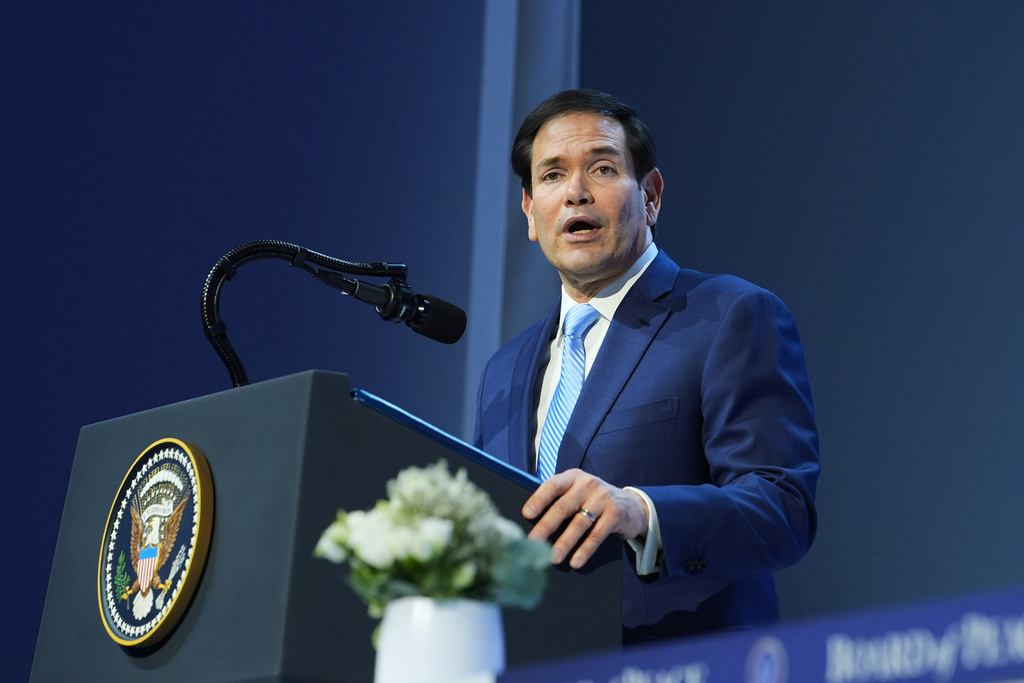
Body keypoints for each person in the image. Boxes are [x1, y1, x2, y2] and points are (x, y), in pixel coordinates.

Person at [474, 89, 820, 644]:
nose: (576, 193)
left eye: (603, 168)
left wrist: (640, 511)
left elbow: (781, 509)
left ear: (651, 196)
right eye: (552, 176)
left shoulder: (727, 314)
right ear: (531, 213)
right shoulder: (504, 369)